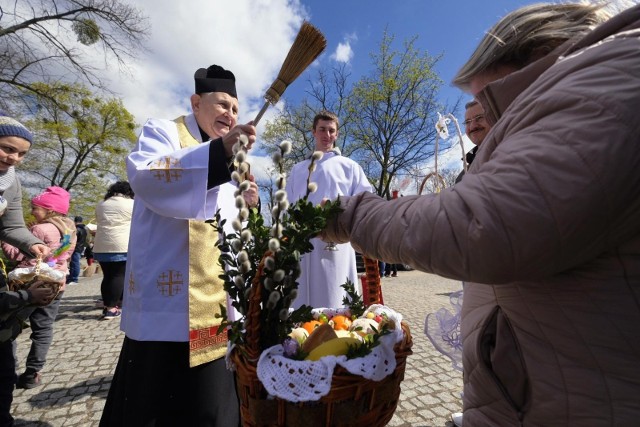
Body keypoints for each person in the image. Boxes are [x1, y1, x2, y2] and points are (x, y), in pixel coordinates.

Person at [322, 3, 640, 425]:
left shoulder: (607, 82)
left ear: (539, 53)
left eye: (491, 100)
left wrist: (353, 217)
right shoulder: (597, 83)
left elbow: (481, 225)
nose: (486, 118)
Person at [100, 64, 258, 427]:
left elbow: (230, 227)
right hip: (166, 300)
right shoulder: (163, 131)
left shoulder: (233, 159)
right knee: (153, 405)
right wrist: (218, 155)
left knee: (212, 407)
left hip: (216, 301)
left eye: (235, 109)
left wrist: (249, 201)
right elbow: (148, 176)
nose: (229, 114)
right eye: (222, 104)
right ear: (196, 102)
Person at [286, 110, 373, 309]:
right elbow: (288, 207)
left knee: (336, 298)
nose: (327, 135)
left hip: (337, 243)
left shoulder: (350, 167)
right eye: (322, 129)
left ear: (337, 134)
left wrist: (338, 211)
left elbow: (365, 202)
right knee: (302, 301)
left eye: (331, 130)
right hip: (303, 244)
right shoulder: (298, 169)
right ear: (313, 132)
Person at [0, 113, 52, 426]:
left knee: (4, 360)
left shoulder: (11, 181)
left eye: (21, 154)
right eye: (7, 149)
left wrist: (31, 244)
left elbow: (13, 226)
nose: (14, 158)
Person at [2, 186, 76, 390]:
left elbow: (17, 255)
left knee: (12, 323)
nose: (32, 210)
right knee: (43, 328)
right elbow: (61, 257)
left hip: (30, 283)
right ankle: (33, 372)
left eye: (35, 208)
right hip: (55, 285)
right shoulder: (70, 229)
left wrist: (5, 240)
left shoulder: (39, 229)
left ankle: (9, 368)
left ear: (49, 210)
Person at [92, 181, 134, 320]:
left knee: (108, 276)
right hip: (121, 243)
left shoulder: (102, 204)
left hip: (102, 244)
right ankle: (110, 308)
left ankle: (112, 302)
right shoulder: (131, 204)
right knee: (119, 276)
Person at [455, 100, 489, 183]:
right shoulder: (462, 178)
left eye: (479, 118)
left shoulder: (514, 151)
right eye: (468, 122)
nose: (473, 126)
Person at [67, 216, 86, 285]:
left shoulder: (77, 229)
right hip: (80, 248)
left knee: (75, 263)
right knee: (74, 263)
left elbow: (72, 239)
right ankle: (71, 277)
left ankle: (74, 278)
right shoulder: (84, 229)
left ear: (74, 221)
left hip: (75, 248)